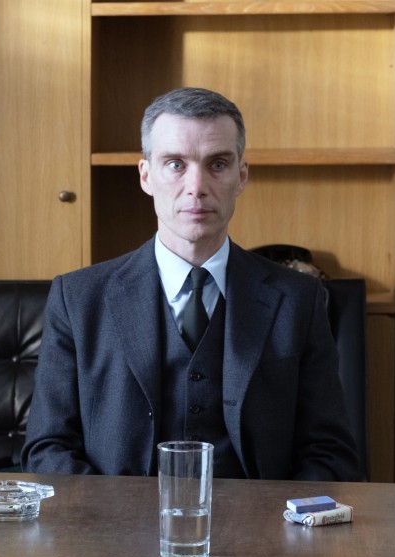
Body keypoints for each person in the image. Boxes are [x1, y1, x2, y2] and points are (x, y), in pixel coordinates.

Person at [21, 88, 360, 481]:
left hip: (260, 530)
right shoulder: (77, 299)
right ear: (146, 176)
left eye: (217, 164)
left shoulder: (298, 300)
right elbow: (47, 448)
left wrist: (280, 528)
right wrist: (110, 525)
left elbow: (330, 452)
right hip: (117, 532)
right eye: (175, 164)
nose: (196, 186)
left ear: (241, 176)